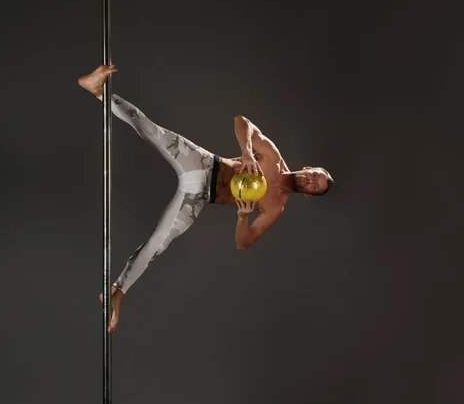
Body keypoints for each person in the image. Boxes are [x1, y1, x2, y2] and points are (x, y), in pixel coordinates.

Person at [78, 64, 334, 333]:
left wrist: (243, 216)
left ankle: (117, 292)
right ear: (309, 168)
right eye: (316, 175)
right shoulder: (272, 156)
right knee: (152, 131)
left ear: (307, 194)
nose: (312, 181)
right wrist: (247, 152)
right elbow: (242, 122)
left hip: (198, 197)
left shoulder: (276, 207)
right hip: (203, 163)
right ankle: (99, 91)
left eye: (316, 187)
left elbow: (243, 243)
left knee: (157, 244)